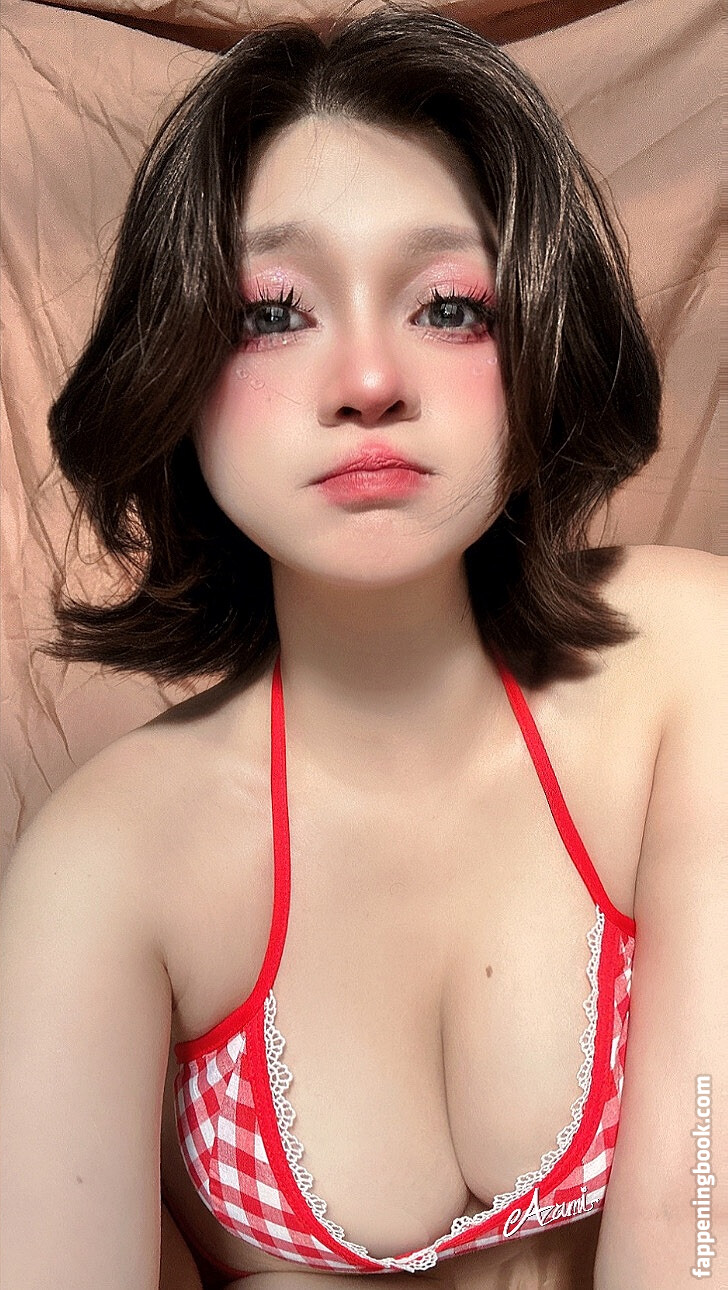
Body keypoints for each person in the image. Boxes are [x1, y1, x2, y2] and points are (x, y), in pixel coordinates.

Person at [1, 5, 724, 1289]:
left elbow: (696, 1222)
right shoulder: (102, 868)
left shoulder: (686, 660)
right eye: (272, 314)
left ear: (536, 337)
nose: (369, 380)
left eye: (447, 305)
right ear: (174, 369)